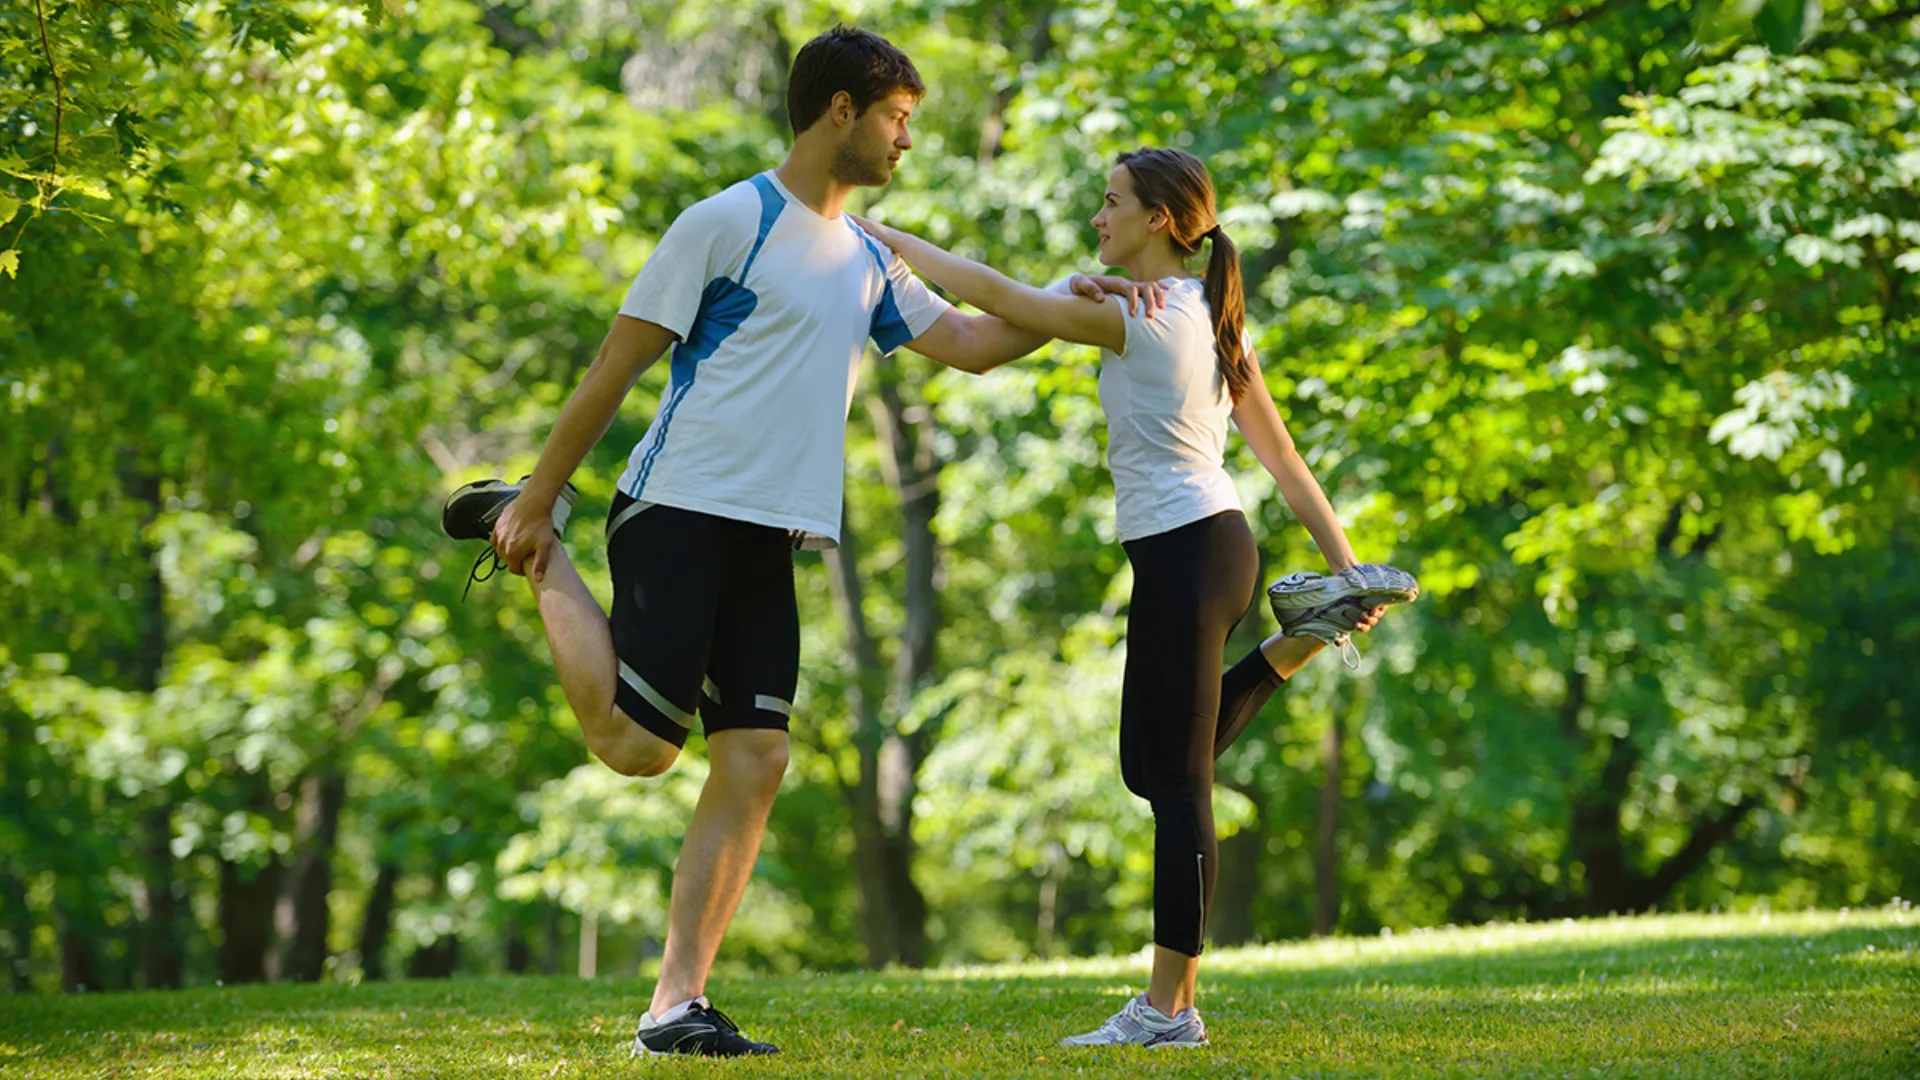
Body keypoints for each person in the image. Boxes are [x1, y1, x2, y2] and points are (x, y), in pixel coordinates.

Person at [439, 26, 1137, 1058]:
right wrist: (541, 500)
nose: (907, 140)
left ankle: (674, 1006)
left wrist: (1065, 303)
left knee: (757, 759)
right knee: (637, 747)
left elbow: (976, 345)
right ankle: (541, 554)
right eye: (897, 118)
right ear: (841, 111)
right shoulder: (728, 221)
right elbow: (615, 365)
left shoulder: (869, 257)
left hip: (773, 535)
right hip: (677, 506)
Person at [852, 146, 1419, 1048]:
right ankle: (1304, 633)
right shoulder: (1203, 312)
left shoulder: (1147, 322)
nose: (1097, 217)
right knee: (1144, 767)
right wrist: (1343, 564)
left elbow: (999, 298)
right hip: (1208, 549)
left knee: (1181, 786)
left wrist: (881, 236)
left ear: (1159, 219)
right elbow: (1282, 459)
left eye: (1110, 203)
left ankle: (1169, 1009)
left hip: (1189, 553)